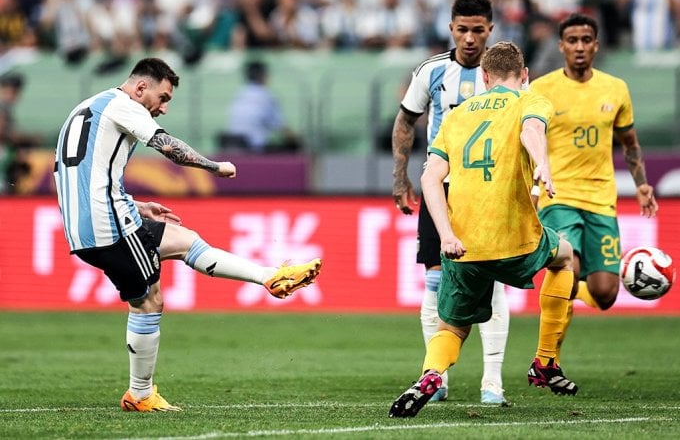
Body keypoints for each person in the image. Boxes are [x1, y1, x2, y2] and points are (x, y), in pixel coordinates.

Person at [52, 58, 322, 412]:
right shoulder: (125, 105)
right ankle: (140, 395)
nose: (162, 108)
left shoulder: (89, 107)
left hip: (91, 218)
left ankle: (269, 277)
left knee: (183, 240)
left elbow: (81, 173)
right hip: (108, 224)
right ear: (141, 87)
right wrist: (214, 166)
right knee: (149, 301)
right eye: (162, 98)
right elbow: (166, 146)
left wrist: (136, 204)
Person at [389, 41, 578, 419]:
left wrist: (446, 236)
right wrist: (542, 163)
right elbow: (531, 132)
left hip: (464, 245)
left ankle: (431, 374)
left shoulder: (457, 116)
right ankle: (545, 360)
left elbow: (429, 178)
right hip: (516, 240)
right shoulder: (530, 99)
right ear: (525, 75)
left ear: (485, 77)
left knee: (453, 327)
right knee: (566, 256)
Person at [391, 0, 510, 404]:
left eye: (479, 30)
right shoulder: (431, 71)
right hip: (439, 187)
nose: (471, 38)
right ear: (451, 29)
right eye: (463, 29)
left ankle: (492, 380)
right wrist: (399, 176)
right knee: (435, 278)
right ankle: (437, 376)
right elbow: (406, 121)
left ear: (491, 30)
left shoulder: (503, 74)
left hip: (489, 188)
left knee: (490, 280)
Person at [529, 13, 657, 359]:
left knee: (604, 294)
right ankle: (547, 359)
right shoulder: (541, 90)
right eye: (572, 41)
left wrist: (642, 185)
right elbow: (525, 138)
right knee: (565, 270)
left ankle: (571, 292)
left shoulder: (615, 89)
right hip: (559, 197)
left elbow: (629, 143)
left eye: (586, 40)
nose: (580, 47)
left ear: (596, 45)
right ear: (561, 46)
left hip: (601, 199)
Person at [222, 60, 300, 152]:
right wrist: (297, 141)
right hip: (254, 146)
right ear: (262, 75)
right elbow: (281, 127)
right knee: (293, 147)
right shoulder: (267, 96)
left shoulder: (239, 94)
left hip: (232, 143)